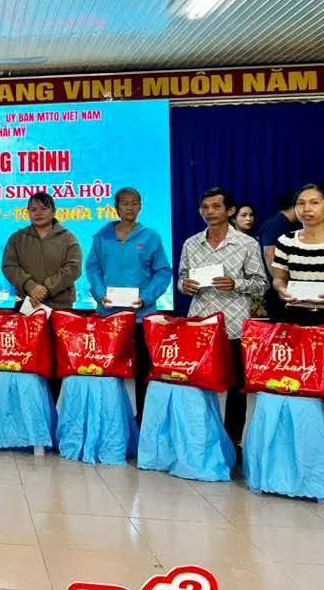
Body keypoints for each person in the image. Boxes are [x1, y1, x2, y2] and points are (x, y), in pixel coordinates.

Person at [178, 187, 266, 446]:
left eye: (216, 207)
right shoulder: (191, 243)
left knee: (236, 387)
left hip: (233, 325)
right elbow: (182, 278)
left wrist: (235, 283)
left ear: (230, 211)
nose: (210, 212)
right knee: (196, 383)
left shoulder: (247, 244)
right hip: (200, 324)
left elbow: (261, 284)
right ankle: (199, 439)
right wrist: (185, 285)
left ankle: (231, 442)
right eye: (205, 207)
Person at [85, 187, 171, 420]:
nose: (130, 207)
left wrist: (146, 297)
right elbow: (92, 268)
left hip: (141, 317)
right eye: (125, 203)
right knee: (108, 370)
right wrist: (100, 293)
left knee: (143, 371)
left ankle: (142, 421)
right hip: (108, 316)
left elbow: (163, 272)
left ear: (140, 206)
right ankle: (111, 420)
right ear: (116, 207)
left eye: (134, 203)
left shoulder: (151, 236)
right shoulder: (101, 236)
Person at [3, 191, 83, 399]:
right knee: (27, 356)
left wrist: (46, 288)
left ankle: (51, 406)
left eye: (43, 208)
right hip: (27, 306)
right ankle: (30, 405)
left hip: (60, 307)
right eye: (33, 209)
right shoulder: (17, 238)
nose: (38, 213)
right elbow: (9, 266)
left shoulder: (68, 238)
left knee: (55, 361)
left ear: (54, 211)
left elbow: (73, 268)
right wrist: (30, 286)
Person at [272, 183, 324, 327]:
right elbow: (279, 278)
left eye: (314, 203)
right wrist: (282, 289)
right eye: (300, 203)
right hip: (297, 316)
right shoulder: (286, 241)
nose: (306, 208)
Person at [259, 191, 301, 320]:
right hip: (280, 291)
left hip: (296, 289)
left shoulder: (297, 225)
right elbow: (269, 254)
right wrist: (281, 285)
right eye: (302, 204)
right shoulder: (274, 224)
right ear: (295, 205)